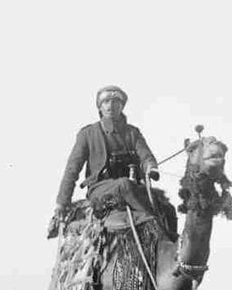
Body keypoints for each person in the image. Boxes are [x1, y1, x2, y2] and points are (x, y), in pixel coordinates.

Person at [52, 85, 160, 233]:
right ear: (100, 107)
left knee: (165, 205)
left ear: (122, 106)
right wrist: (62, 202)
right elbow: (72, 168)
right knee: (124, 185)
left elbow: (146, 156)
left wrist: (151, 167)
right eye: (106, 101)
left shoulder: (133, 133)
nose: (111, 106)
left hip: (132, 188)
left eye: (116, 102)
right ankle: (152, 221)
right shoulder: (88, 134)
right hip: (100, 189)